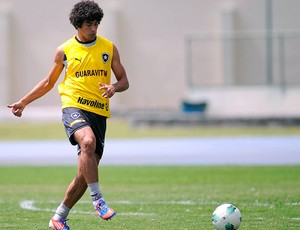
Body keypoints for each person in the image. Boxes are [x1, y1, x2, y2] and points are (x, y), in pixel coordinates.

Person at [7, 1, 129, 229]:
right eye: (88, 24)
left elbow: (124, 81)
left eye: (96, 24)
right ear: (78, 25)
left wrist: (114, 87)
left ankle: (58, 217)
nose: (93, 28)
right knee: (88, 141)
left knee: (85, 174)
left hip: (98, 112)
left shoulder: (109, 48)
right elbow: (48, 82)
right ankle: (99, 200)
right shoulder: (64, 50)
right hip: (73, 106)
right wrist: (23, 102)